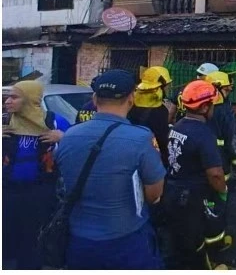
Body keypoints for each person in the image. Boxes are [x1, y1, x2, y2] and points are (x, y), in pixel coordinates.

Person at [54, 70, 166, 270]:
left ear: (95, 98)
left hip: (79, 241)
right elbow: (154, 194)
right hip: (127, 239)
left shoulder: (68, 136)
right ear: (131, 99)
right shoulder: (140, 138)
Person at [2, 81, 70, 269]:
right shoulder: (4, 121)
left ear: (31, 100)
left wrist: (63, 137)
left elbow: (79, 147)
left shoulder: (54, 122)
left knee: (34, 244)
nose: (7, 101)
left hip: (40, 193)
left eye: (14, 97)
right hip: (6, 193)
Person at [162, 80, 228, 269]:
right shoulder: (204, 134)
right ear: (205, 107)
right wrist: (223, 190)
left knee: (179, 240)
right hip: (193, 199)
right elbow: (215, 173)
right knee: (195, 244)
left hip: (173, 192)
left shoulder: (178, 126)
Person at [128, 66, 174, 167]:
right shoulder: (160, 111)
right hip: (152, 159)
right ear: (161, 86)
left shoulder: (131, 103)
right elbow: (162, 140)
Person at [205, 71, 236, 181]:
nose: (228, 93)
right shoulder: (226, 112)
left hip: (200, 165)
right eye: (226, 90)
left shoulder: (198, 108)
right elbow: (233, 141)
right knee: (220, 194)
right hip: (220, 162)